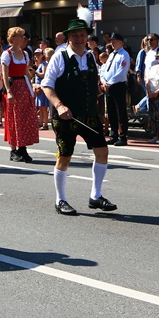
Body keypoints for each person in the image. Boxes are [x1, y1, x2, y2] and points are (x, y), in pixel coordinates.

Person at [41, 14, 117, 216]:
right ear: (68, 37)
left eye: (82, 35)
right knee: (65, 156)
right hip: (67, 116)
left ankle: (96, 196)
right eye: (74, 35)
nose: (79, 39)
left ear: (87, 37)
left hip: (89, 114)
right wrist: (59, 106)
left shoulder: (91, 56)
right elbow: (46, 85)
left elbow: (90, 84)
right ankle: (61, 200)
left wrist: (100, 88)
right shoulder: (60, 56)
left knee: (102, 151)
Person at [1, 26, 39, 163]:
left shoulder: (25, 54)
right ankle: (13, 149)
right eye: (20, 36)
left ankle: (22, 147)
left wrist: (31, 87)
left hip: (24, 87)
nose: (23, 38)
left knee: (25, 118)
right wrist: (9, 92)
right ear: (13, 39)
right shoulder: (7, 54)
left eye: (23, 36)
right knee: (13, 118)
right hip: (14, 87)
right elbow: (4, 75)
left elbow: (26, 73)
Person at [100, 32, 131, 146]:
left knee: (120, 112)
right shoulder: (112, 55)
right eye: (111, 41)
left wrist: (110, 82)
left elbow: (121, 72)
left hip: (118, 85)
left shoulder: (124, 55)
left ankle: (123, 137)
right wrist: (103, 81)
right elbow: (104, 69)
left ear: (120, 42)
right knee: (111, 112)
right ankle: (114, 135)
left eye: (114, 41)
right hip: (108, 86)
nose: (112, 43)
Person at [33, 49, 51, 130]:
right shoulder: (40, 64)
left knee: (43, 107)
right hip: (38, 87)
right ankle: (41, 122)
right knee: (40, 107)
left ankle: (45, 124)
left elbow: (44, 75)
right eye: (36, 55)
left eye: (38, 54)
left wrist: (35, 72)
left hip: (42, 87)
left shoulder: (44, 64)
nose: (37, 56)